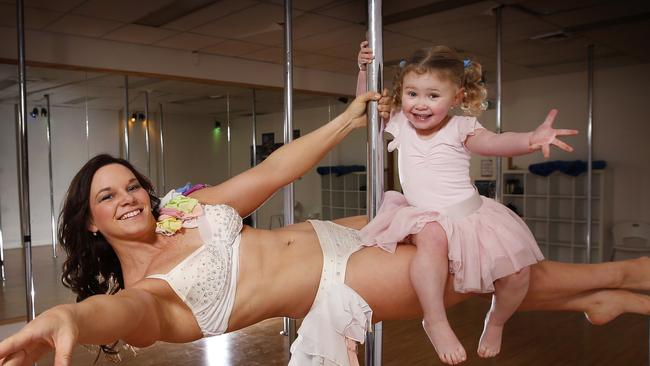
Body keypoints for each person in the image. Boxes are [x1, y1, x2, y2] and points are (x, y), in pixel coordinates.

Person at [1, 92, 649, 366]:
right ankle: (612, 282)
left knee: (511, 276)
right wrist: (72, 320)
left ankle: (598, 295)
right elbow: (114, 315)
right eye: (108, 196)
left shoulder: (180, 210)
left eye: (131, 183)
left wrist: (348, 117)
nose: (130, 197)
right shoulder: (146, 299)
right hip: (346, 278)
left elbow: (276, 170)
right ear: (90, 219)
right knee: (481, 272)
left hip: (348, 230)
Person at [356, 43, 579, 364]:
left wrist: (530, 139)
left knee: (517, 274)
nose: (420, 104)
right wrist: (363, 71)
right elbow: (367, 106)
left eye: (433, 96)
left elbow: (496, 142)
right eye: (412, 94)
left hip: (469, 213)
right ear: (401, 93)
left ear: (457, 97)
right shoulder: (400, 123)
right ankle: (434, 319)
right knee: (432, 237)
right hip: (424, 216)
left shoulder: (462, 128)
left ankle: (497, 320)